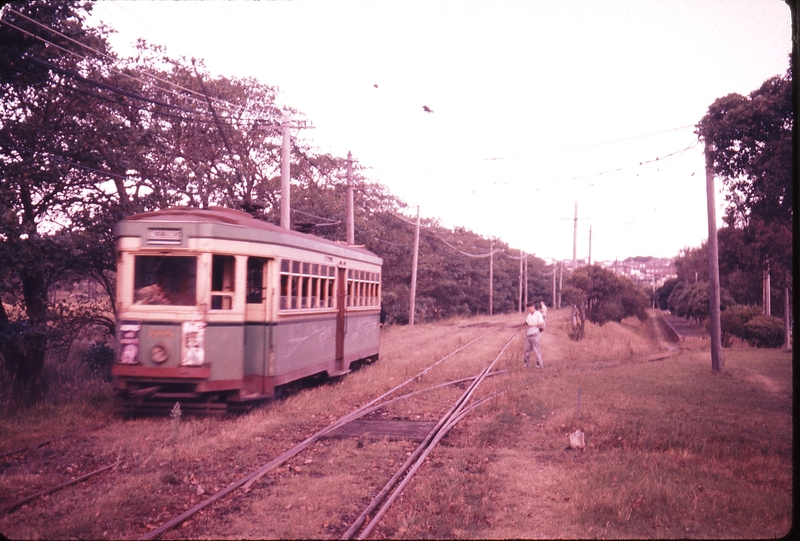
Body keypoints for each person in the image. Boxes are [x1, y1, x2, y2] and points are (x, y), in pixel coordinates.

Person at [523, 302, 545, 368]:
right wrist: (524, 324)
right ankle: (526, 364)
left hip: (535, 334)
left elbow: (541, 323)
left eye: (529, 309)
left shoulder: (538, 314)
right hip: (528, 334)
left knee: (536, 350)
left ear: (533, 307)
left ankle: (539, 365)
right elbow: (526, 322)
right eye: (528, 310)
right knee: (526, 350)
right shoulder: (529, 315)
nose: (529, 311)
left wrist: (534, 324)